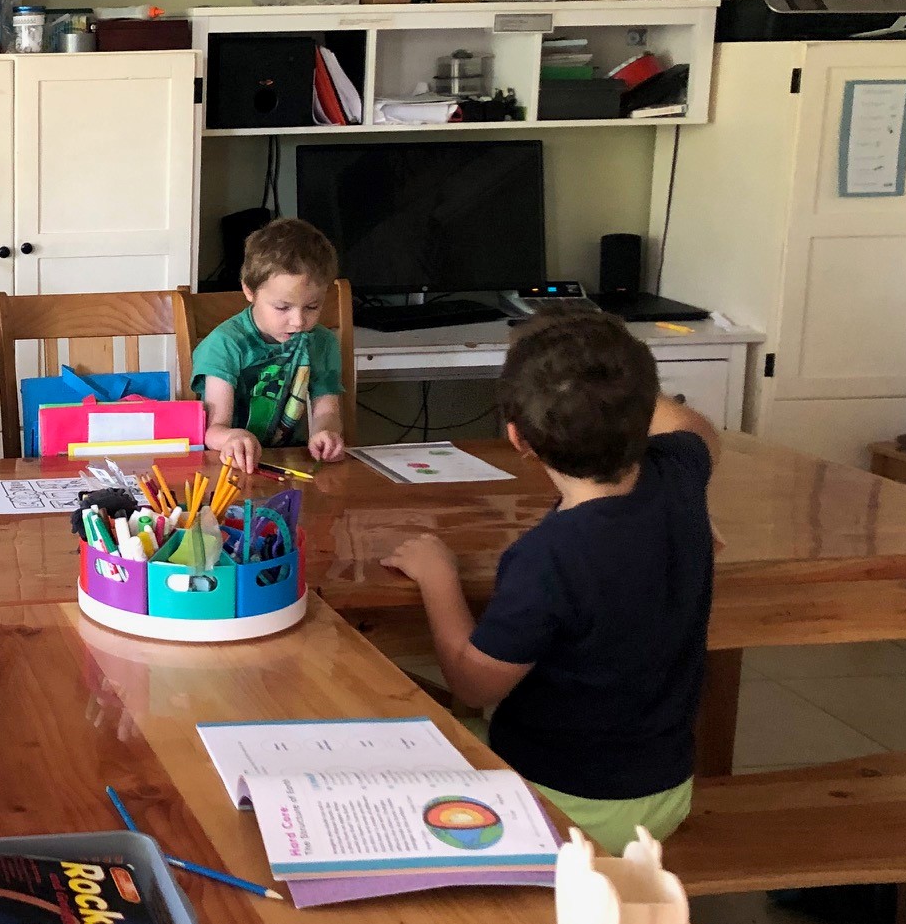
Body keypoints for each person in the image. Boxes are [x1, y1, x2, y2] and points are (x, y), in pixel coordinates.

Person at [380, 311, 720, 854]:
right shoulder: (679, 476)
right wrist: (619, 379)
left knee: (388, 749)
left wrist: (437, 577)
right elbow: (695, 427)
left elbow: (473, 682)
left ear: (519, 438)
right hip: (665, 791)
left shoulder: (548, 559)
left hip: (559, 800)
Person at [189, 217, 348, 471]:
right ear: (249, 291)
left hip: (290, 464)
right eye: (283, 307)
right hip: (229, 467)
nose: (298, 321)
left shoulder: (322, 342)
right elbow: (213, 429)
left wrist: (325, 433)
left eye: (312, 306)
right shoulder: (224, 344)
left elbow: (327, 411)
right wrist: (232, 437)